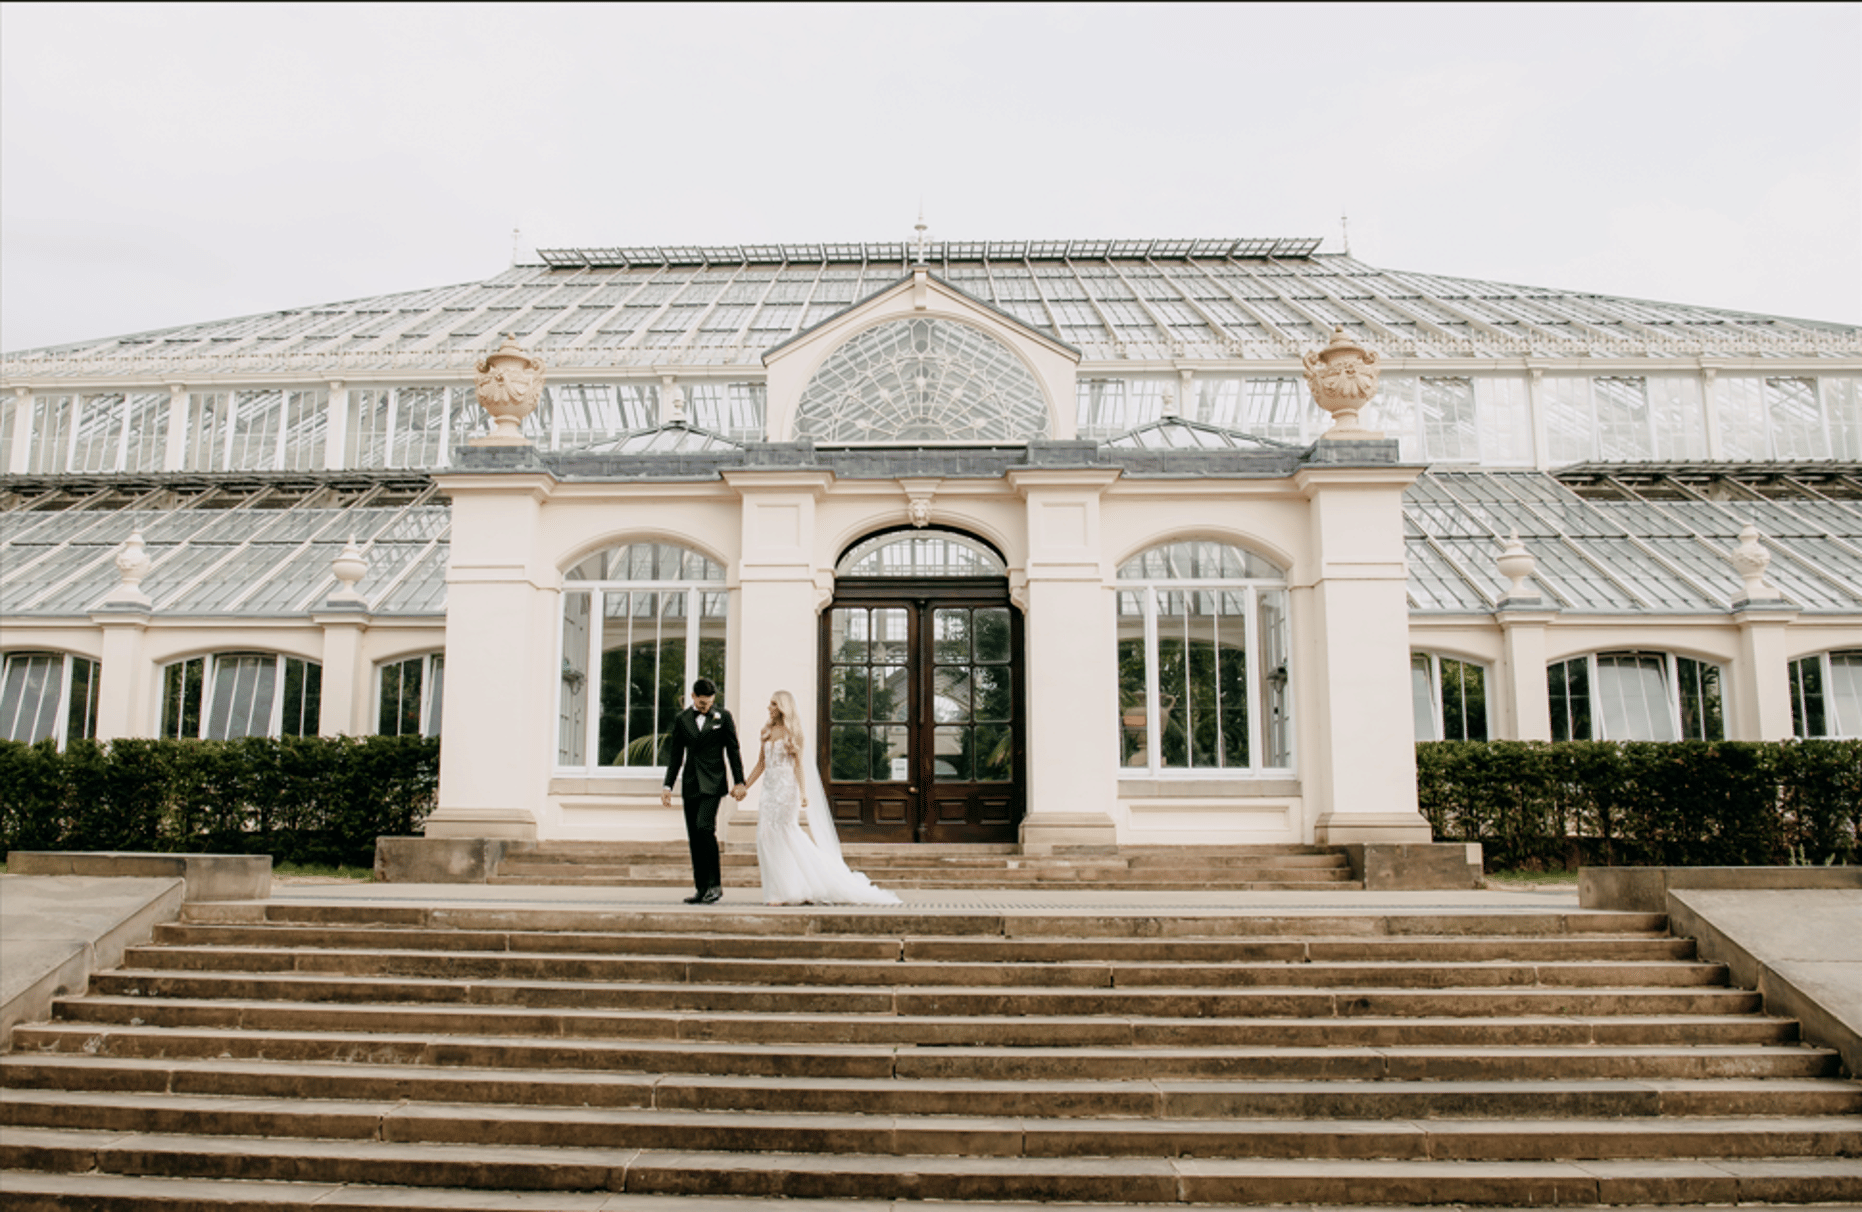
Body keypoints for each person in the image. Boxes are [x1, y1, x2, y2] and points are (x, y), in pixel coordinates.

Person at [741, 690, 900, 906]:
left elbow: (798, 766)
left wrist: (803, 792)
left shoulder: (793, 733)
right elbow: (761, 764)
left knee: (786, 833)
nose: (769, 707)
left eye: (773, 704)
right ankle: (782, 888)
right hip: (768, 791)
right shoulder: (767, 731)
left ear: (783, 707)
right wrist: (745, 786)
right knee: (766, 836)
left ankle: (793, 889)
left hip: (786, 789)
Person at [659, 678, 746, 904]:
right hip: (690, 783)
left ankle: (715, 885)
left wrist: (740, 781)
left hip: (714, 783)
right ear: (693, 697)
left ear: (713, 699)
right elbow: (676, 755)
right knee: (694, 835)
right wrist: (668, 786)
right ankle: (701, 888)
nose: (704, 706)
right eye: (701, 703)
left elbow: (733, 750)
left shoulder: (723, 717)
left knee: (704, 828)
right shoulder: (681, 719)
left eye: (708, 703)